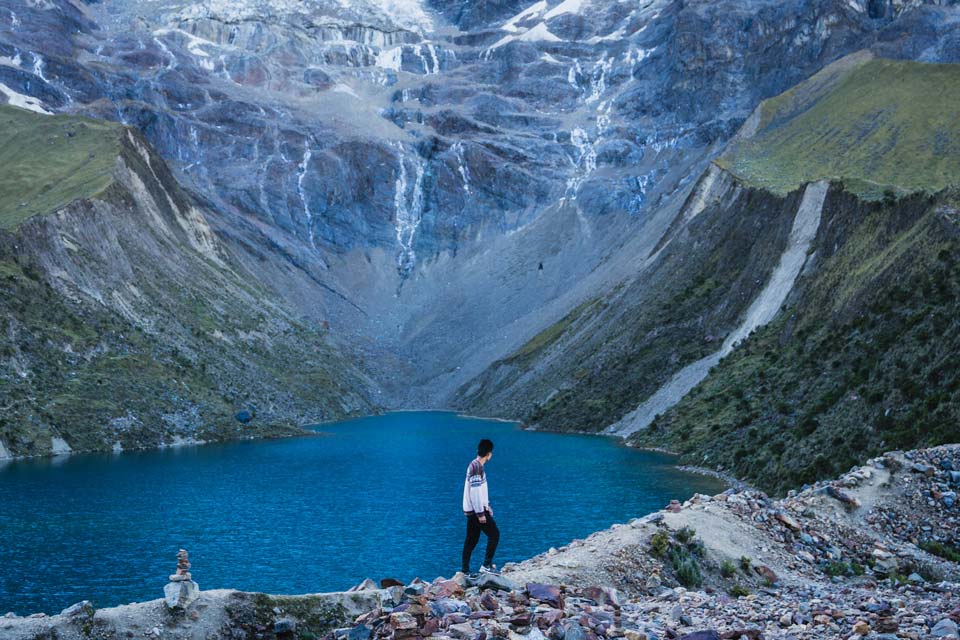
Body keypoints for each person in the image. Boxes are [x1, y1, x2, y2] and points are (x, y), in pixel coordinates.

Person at [461, 438, 499, 576]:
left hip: (472, 510)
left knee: (471, 540)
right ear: (488, 454)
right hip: (477, 511)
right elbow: (475, 492)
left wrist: (487, 505)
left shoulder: (474, 464)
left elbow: (480, 491)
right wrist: (481, 513)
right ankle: (486, 565)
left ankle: (465, 570)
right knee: (494, 534)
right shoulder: (477, 468)